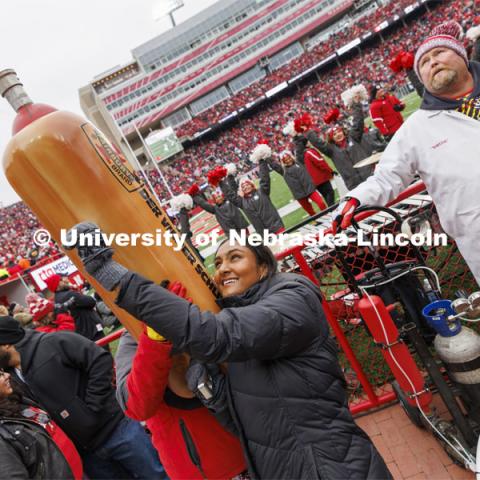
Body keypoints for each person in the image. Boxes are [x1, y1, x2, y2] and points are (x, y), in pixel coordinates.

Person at [67, 221, 392, 479]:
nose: (222, 269)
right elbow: (244, 415)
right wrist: (212, 391)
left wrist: (119, 280)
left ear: (263, 267)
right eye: (218, 262)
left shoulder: (290, 297)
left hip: (325, 464)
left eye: (235, 257)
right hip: (269, 466)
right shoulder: (223, 317)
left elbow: (220, 336)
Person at [331, 20, 480, 286]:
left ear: (461, 55)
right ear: (421, 79)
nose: (432, 62)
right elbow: (386, 178)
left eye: (439, 53)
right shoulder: (415, 130)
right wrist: (355, 200)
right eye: (424, 62)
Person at [0, 317, 167, 479]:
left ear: (6, 343)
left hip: (117, 429)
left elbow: (100, 360)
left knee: (157, 475)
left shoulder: (54, 342)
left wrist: (92, 407)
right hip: (87, 453)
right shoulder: (9, 377)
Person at [115, 280, 247, 479]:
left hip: (261, 445)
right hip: (207, 470)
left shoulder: (207, 299)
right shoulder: (132, 338)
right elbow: (136, 407)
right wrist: (155, 338)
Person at [0, 366, 83, 479]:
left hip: (77, 470)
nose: (7, 375)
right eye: (0, 375)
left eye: (2, 371)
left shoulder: (14, 399)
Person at [304, 98, 385, 191]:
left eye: (339, 132)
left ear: (343, 132)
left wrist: (355, 105)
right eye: (334, 134)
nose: (338, 135)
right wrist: (307, 131)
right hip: (354, 185)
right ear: (331, 138)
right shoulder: (331, 150)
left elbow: (358, 122)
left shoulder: (354, 137)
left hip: (370, 176)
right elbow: (318, 143)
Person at [224, 155, 285, 234]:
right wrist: (229, 177)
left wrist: (261, 160)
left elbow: (264, 178)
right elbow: (231, 194)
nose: (245, 187)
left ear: (252, 185)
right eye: (243, 187)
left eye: (247, 184)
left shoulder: (262, 191)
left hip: (276, 227)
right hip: (263, 234)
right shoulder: (241, 202)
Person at [45, 274, 105, 342]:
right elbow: (91, 301)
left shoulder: (56, 300)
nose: (64, 280)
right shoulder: (69, 294)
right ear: (57, 285)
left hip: (81, 333)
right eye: (61, 280)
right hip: (91, 330)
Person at [268, 150, 327, 216]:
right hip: (299, 195)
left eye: (289, 158)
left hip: (310, 189)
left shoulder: (299, 162)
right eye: (285, 160)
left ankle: (327, 215)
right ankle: (318, 221)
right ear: (283, 162)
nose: (288, 161)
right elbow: (273, 165)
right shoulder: (283, 170)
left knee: (321, 203)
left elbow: (300, 149)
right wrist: (266, 156)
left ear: (291, 157)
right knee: (311, 213)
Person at [293, 136, 335, 206]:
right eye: (308, 141)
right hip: (321, 178)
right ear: (306, 144)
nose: (310, 142)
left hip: (314, 181)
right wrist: (330, 170)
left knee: (326, 195)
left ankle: (331, 210)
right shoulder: (309, 152)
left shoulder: (301, 156)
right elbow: (320, 162)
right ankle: (332, 210)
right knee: (330, 193)